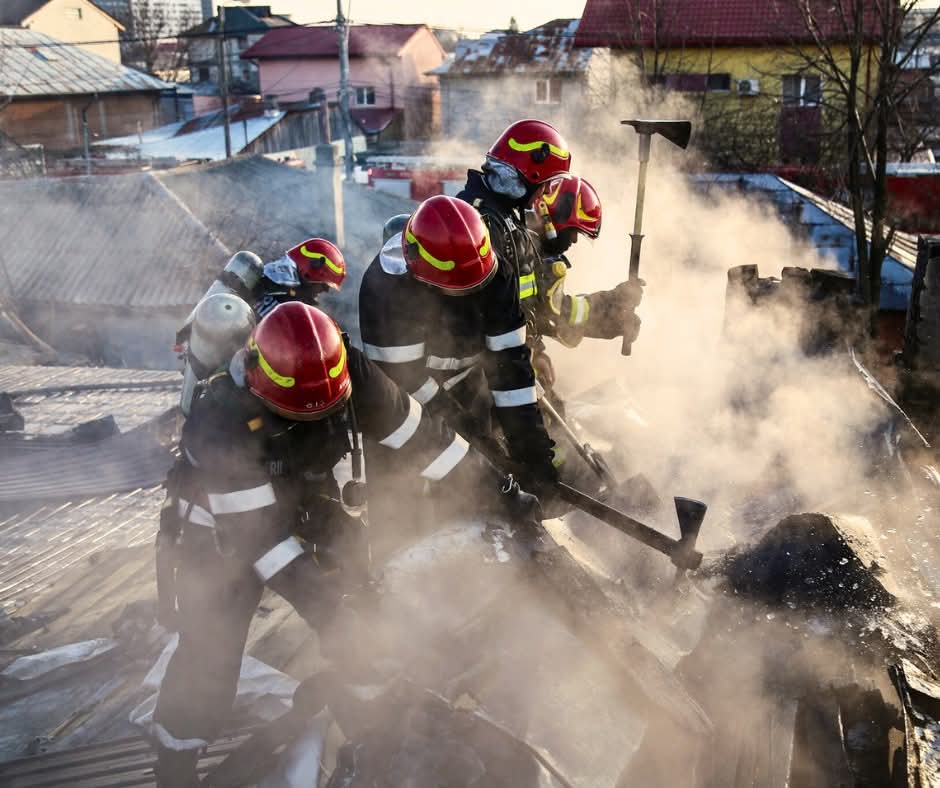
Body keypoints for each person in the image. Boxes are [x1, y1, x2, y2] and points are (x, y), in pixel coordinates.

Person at [152, 301, 538, 785]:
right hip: (222, 529)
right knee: (211, 648)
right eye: (298, 417)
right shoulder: (221, 419)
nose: (316, 423)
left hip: (306, 503)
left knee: (364, 611)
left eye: (328, 412)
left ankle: (371, 729)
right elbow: (262, 543)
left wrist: (499, 489)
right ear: (261, 385)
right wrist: (331, 611)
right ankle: (176, 759)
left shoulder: (349, 371)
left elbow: (427, 439)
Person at [358, 196, 558, 504]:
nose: (471, 298)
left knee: (484, 498)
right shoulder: (385, 289)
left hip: (465, 387)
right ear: (422, 278)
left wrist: (531, 448)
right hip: (399, 414)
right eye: (458, 290)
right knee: (404, 508)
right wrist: (474, 439)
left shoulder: (494, 273)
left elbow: (510, 367)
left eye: (477, 286)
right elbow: (405, 383)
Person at [177, 240, 346, 415]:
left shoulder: (272, 280)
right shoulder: (267, 285)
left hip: (256, 364)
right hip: (238, 364)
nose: (325, 290)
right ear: (309, 271)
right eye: (324, 284)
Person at [523, 174, 643, 395]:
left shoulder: (531, 249)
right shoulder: (522, 253)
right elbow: (552, 315)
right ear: (553, 217)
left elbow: (533, 315)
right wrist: (613, 305)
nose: (575, 241)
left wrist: (537, 352)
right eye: (573, 231)